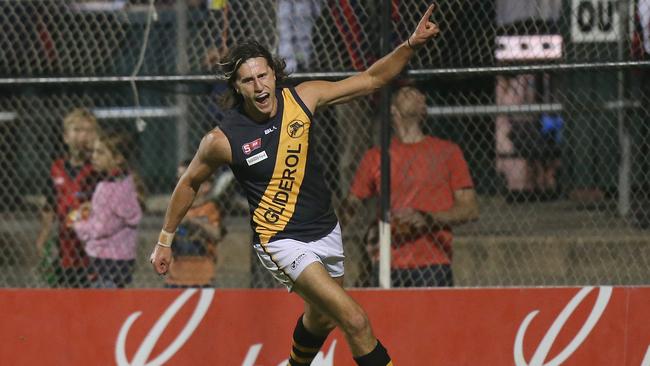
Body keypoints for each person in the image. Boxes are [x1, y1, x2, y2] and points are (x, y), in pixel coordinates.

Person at [150, 5, 439, 365]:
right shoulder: (222, 139)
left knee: (322, 317)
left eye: (263, 76)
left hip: (325, 230)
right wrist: (164, 240)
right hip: (280, 240)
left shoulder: (303, 98)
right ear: (237, 88)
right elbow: (189, 183)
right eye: (248, 81)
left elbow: (372, 79)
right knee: (354, 319)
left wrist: (410, 43)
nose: (259, 86)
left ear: (275, 74)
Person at [344, 86, 479, 287]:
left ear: (424, 108)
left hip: (433, 264)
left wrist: (428, 218)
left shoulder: (448, 152)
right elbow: (351, 206)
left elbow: (470, 209)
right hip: (386, 263)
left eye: (420, 93)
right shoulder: (376, 157)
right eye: (406, 91)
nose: (417, 93)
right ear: (392, 109)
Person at [35, 108, 100, 287]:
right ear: (66, 137)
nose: (83, 136)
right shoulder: (56, 168)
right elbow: (49, 205)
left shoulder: (100, 169)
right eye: (77, 130)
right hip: (64, 245)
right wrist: (44, 236)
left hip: (95, 244)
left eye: (88, 131)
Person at [72, 132, 144, 288]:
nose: (94, 157)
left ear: (118, 158)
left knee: (101, 305)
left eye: (100, 152)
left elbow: (101, 228)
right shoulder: (127, 182)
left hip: (103, 259)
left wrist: (78, 224)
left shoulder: (105, 188)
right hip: (124, 257)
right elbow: (117, 214)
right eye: (94, 151)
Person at [164, 159, 225, 288]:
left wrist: (193, 221)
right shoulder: (174, 207)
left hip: (203, 277)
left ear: (206, 186)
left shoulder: (209, 208)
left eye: (186, 179)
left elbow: (217, 234)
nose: (180, 185)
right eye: (178, 179)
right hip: (175, 276)